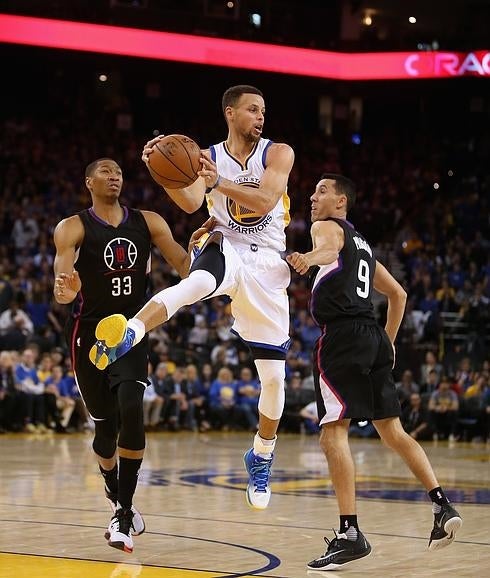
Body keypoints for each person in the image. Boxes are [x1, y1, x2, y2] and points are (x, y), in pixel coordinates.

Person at [89, 85, 295, 509]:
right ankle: (131, 330)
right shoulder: (205, 155)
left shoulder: (279, 153)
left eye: (263, 110)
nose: (260, 117)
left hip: (268, 263)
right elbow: (190, 204)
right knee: (196, 283)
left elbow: (266, 198)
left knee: (275, 380)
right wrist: (162, 171)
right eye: (252, 110)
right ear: (230, 113)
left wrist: (217, 180)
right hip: (225, 244)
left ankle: (261, 454)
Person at [286, 173, 462, 571]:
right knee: (393, 431)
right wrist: (389, 342)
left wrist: (308, 259)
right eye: (313, 191)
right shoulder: (363, 246)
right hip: (373, 338)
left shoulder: (326, 228)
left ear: (342, 202)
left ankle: (350, 533)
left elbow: (327, 250)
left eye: (322, 191)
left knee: (333, 432)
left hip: (344, 337)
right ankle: (441, 505)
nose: (313, 197)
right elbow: (397, 294)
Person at [53, 157, 211, 553]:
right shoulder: (71, 227)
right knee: (105, 430)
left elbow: (182, 265)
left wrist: (206, 252)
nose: (114, 176)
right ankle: (114, 493)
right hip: (89, 335)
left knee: (131, 407)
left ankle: (122, 513)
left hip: (131, 329)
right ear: (89, 181)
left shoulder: (149, 221)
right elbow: (61, 284)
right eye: (105, 171)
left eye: (119, 172)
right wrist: (67, 290)